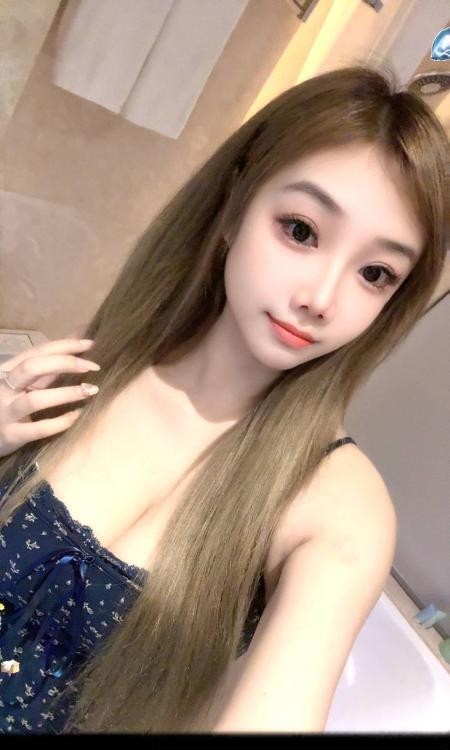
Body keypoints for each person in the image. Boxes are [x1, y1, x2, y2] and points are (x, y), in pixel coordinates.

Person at [0, 63, 448, 734]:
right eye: (301, 230)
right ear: (236, 205)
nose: (321, 298)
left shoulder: (337, 507)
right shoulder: (98, 367)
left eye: (376, 273)